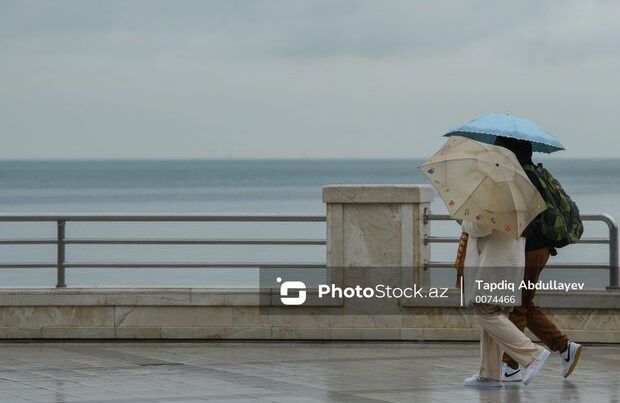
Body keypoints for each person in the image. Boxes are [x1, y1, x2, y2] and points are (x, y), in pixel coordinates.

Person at [493, 137, 582, 382]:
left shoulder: (521, 179)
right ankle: (564, 347)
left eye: (499, 149)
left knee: (517, 306)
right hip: (539, 249)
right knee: (525, 303)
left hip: (528, 249)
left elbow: (519, 220)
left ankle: (511, 365)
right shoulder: (535, 173)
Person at [462, 217, 550, 387]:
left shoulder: (493, 194)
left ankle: (532, 355)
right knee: (495, 315)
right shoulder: (517, 195)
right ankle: (489, 374)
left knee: (485, 313)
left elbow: (481, 226)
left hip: (493, 263)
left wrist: (465, 222)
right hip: (509, 260)